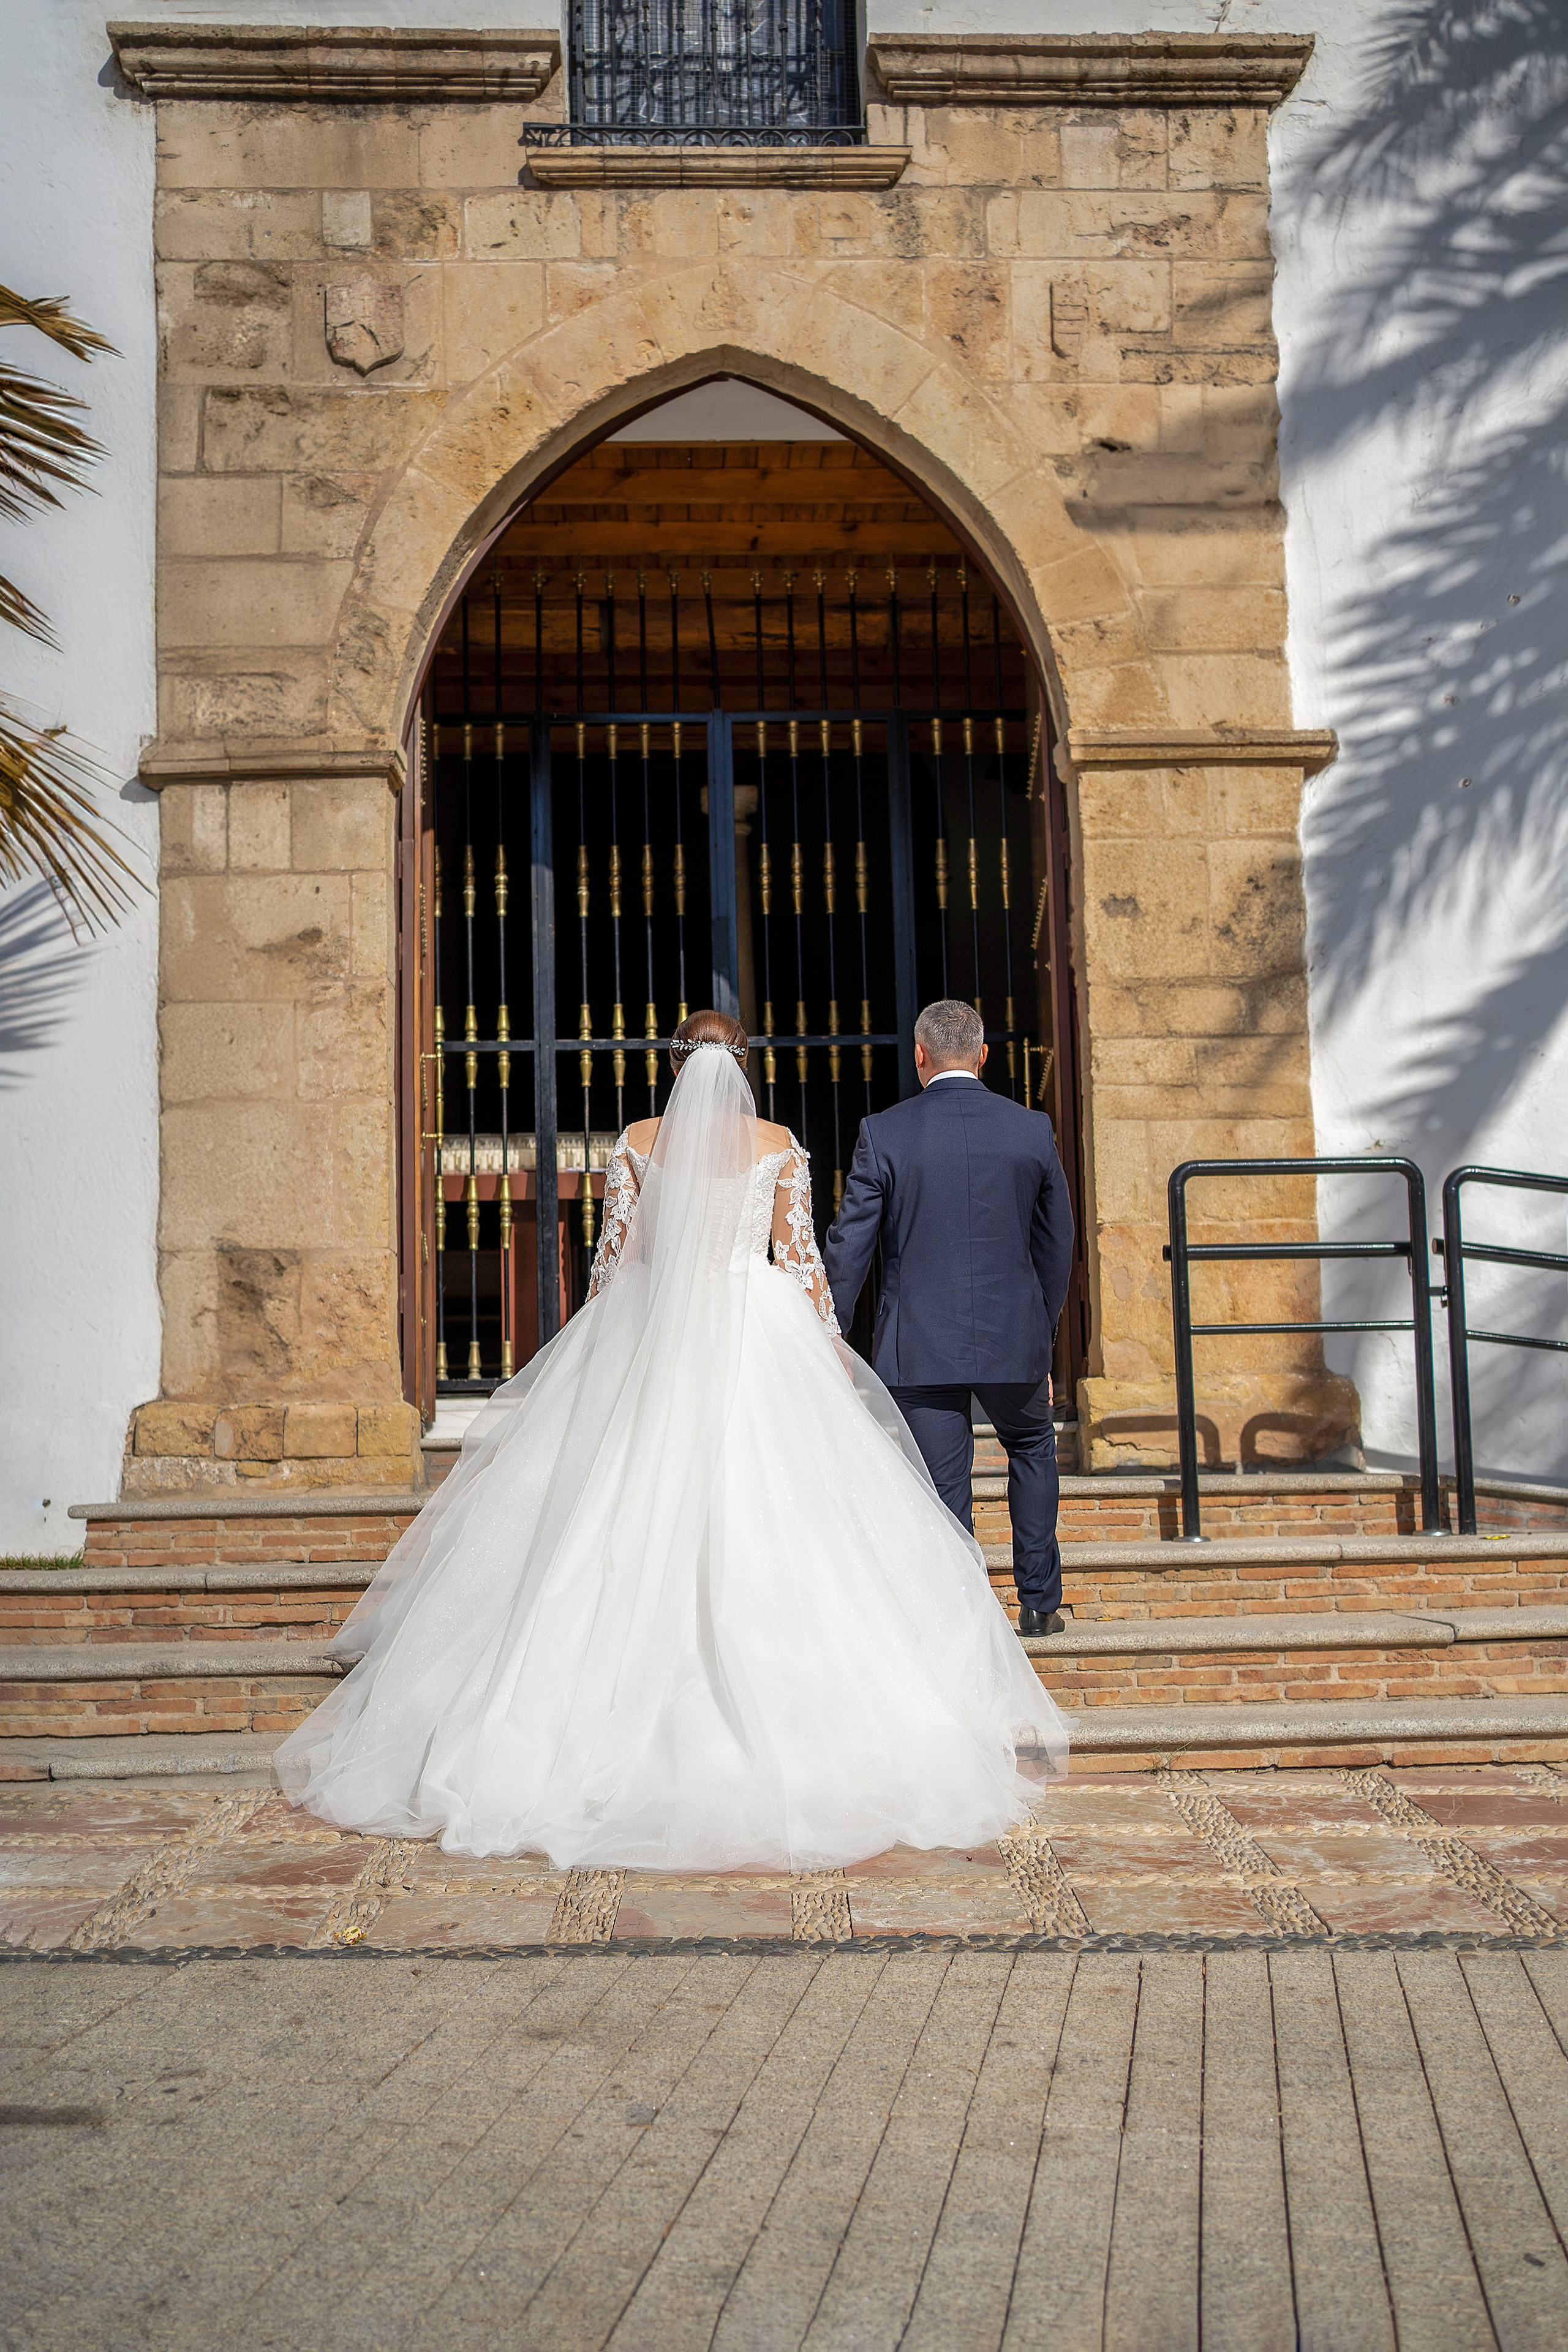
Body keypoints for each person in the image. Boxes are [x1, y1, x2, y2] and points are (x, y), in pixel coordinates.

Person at [274, 1009, 1066, 1868]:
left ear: (673, 1061)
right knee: (783, 1514)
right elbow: (800, 1263)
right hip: (757, 1334)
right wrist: (830, 1347)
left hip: (655, 1330)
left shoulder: (639, 1139)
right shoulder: (777, 1141)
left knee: (617, 1510)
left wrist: (617, 1342)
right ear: (747, 1063)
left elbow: (616, 1265)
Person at [824, 1000, 1076, 1639]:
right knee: (1030, 1448)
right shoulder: (1031, 1129)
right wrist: (1040, 1337)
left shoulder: (884, 1132)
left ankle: (962, 1617)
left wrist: (831, 1330)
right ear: (983, 1054)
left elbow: (850, 1245)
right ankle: (1041, 1602)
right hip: (1012, 1335)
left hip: (919, 1340)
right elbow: (1056, 1246)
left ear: (919, 1055)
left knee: (942, 1482)